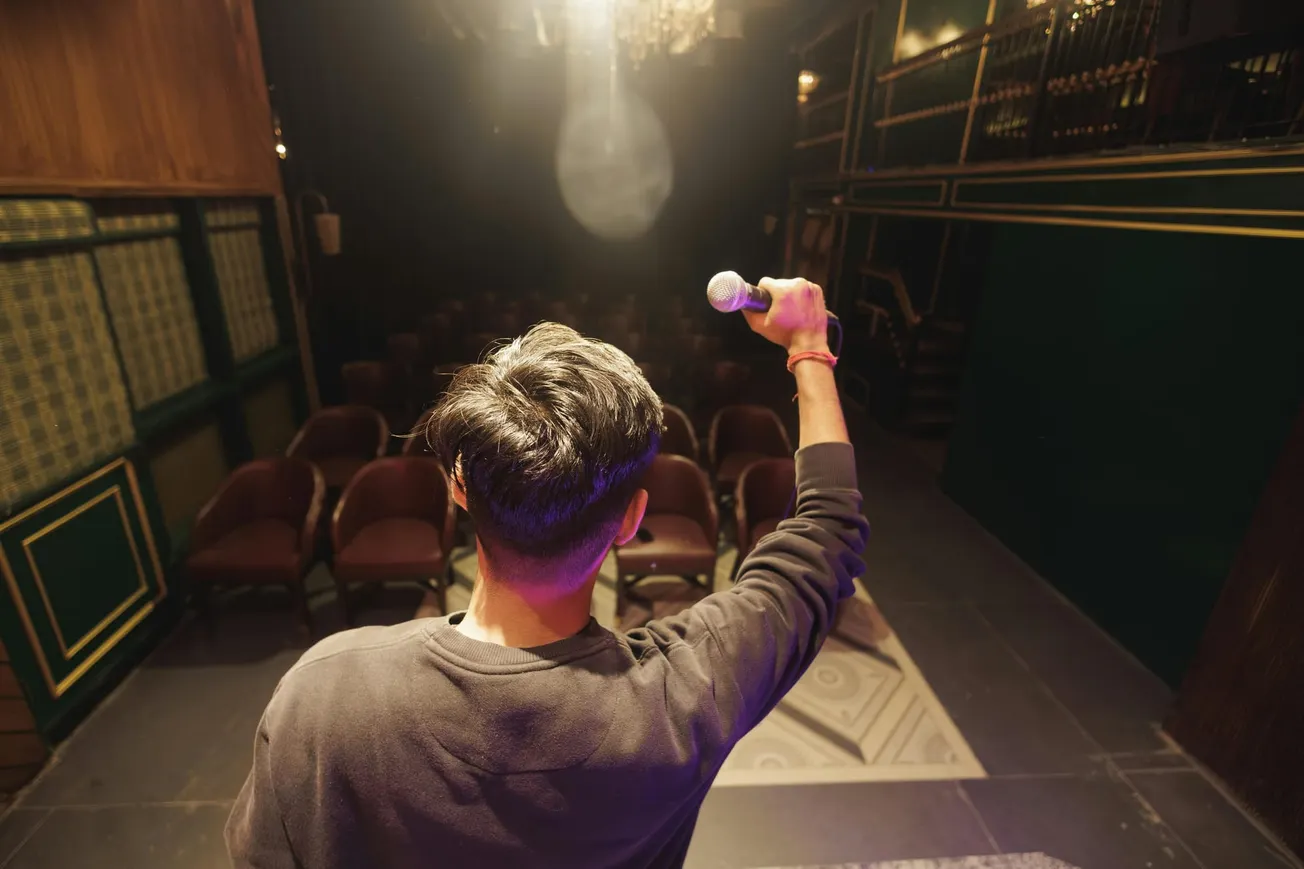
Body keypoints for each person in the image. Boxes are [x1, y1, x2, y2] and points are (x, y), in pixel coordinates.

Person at [227, 277, 869, 869]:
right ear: (630, 518)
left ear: (458, 488)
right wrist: (808, 347)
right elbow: (827, 530)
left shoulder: (324, 698)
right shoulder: (688, 695)